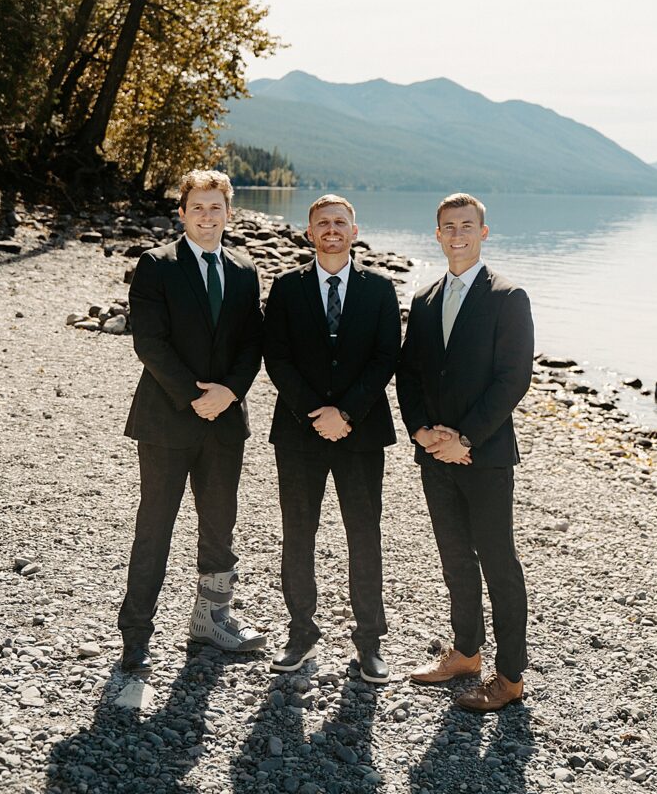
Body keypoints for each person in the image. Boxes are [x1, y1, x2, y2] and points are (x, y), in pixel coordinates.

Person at [118, 169, 265, 672]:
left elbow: (252, 342)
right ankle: (136, 633)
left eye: (216, 207)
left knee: (220, 526)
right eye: (197, 207)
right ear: (182, 213)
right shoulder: (156, 265)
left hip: (225, 421)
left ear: (229, 212)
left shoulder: (244, 269)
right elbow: (149, 341)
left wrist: (228, 392)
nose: (207, 216)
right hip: (166, 419)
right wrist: (192, 396)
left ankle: (211, 621)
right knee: (155, 525)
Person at [396, 193, 534, 711]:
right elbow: (408, 373)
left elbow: (512, 378)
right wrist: (421, 432)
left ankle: (511, 677)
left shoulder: (508, 296)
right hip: (434, 454)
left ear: (483, 232)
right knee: (454, 558)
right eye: (448, 226)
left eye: (467, 225)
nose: (457, 234)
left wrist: (465, 438)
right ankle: (467, 652)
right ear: (437, 234)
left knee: (499, 564)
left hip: (486, 454)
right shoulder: (426, 298)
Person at [263, 195, 401, 684]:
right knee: (298, 534)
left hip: (361, 433)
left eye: (340, 222)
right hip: (299, 434)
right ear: (309, 233)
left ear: (354, 230)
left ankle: (369, 642)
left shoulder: (380, 289)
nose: (331, 229)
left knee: (364, 535)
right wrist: (313, 413)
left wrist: (346, 412)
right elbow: (275, 357)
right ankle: (301, 631)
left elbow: (387, 356)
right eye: (322, 223)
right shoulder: (285, 288)